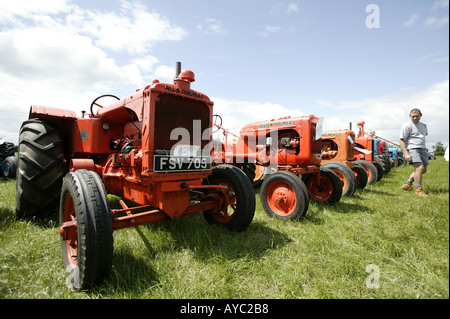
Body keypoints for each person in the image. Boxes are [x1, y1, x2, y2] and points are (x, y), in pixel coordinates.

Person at [399, 108, 428, 197]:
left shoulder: (423, 125)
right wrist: (406, 153)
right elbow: (401, 140)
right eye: (413, 116)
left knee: (423, 170)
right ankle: (419, 189)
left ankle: (408, 184)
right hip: (412, 148)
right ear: (409, 116)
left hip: (422, 149)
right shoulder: (407, 126)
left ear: (420, 116)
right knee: (419, 167)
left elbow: (422, 137)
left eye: (417, 116)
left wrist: (425, 148)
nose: (415, 118)